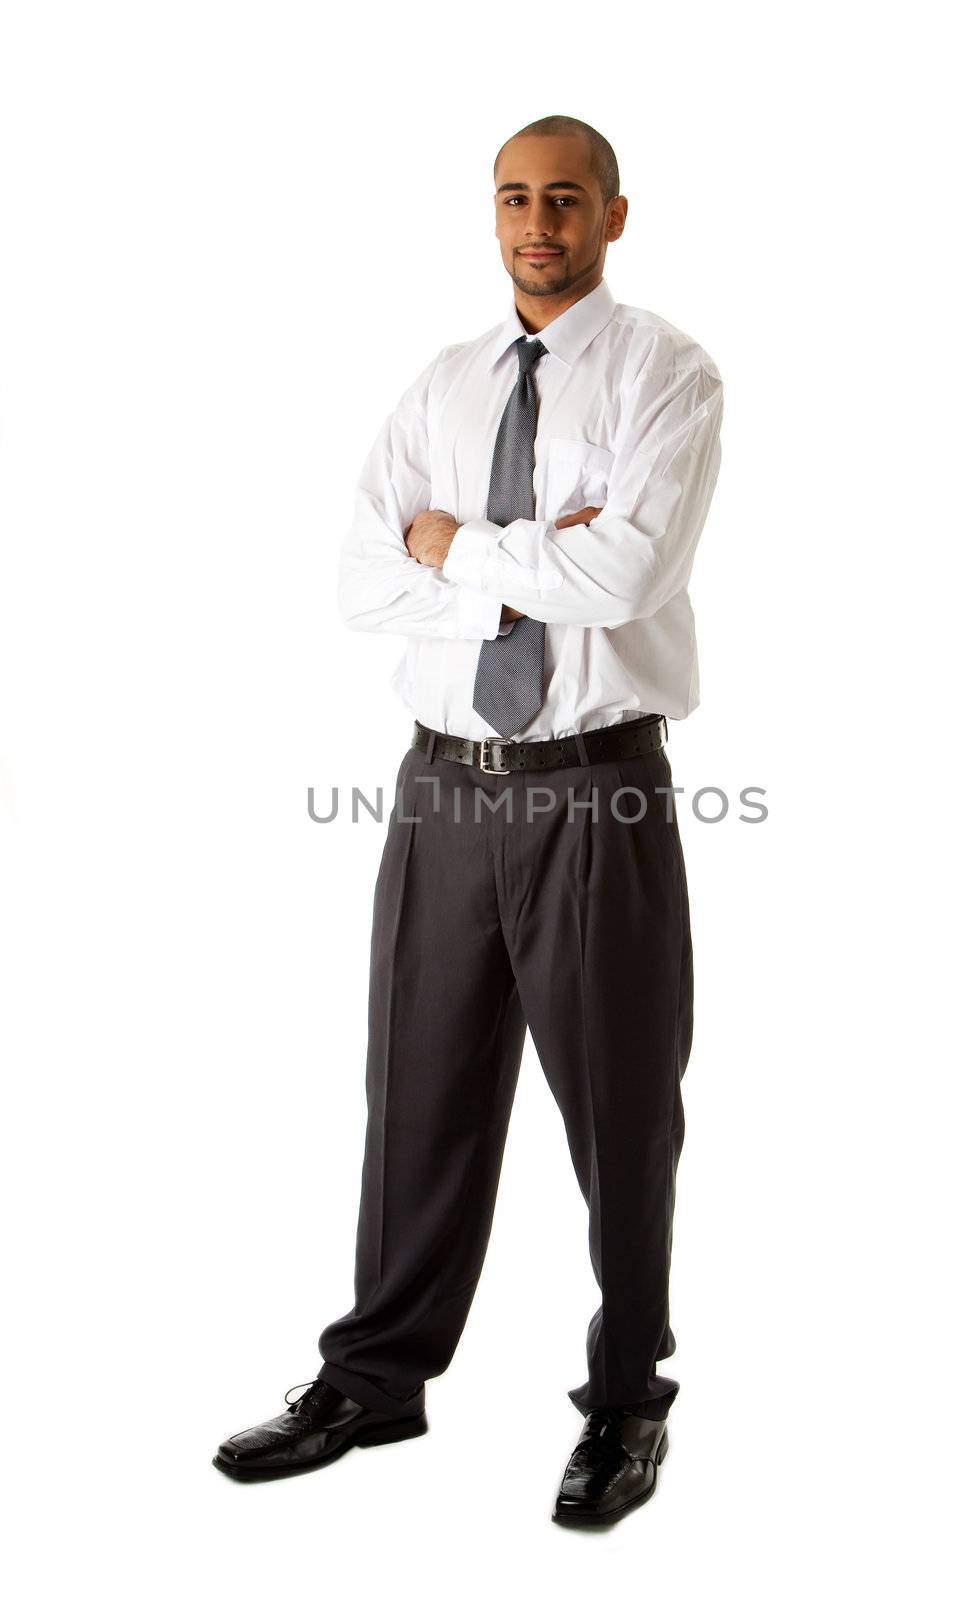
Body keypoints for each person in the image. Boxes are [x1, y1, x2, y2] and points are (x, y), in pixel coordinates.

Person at [213, 113, 724, 1528]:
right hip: (440, 783)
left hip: (594, 787)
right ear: (491, 215)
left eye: (566, 199)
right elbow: (361, 581)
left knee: (623, 1105)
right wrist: (526, 564)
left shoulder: (664, 374)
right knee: (418, 1090)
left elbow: (624, 575)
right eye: (515, 197)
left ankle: (627, 1400)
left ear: (614, 217)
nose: (537, 221)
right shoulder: (443, 384)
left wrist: (462, 547)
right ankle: (376, 1381)